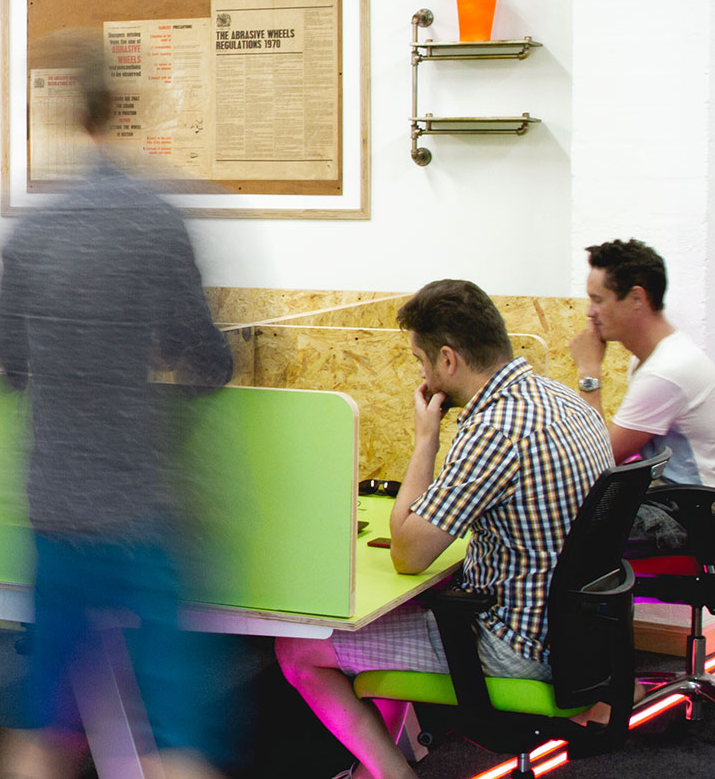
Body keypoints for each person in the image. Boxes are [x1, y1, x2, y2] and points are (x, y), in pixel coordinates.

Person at [0, 40, 235, 779]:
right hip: (140, 507)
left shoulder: (28, 231)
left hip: (52, 508)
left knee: (44, 722)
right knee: (171, 731)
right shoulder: (156, 219)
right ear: (124, 109)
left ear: (64, 114)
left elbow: (9, 368)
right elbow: (208, 361)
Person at [277, 279, 613, 779]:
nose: (422, 373)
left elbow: (408, 552)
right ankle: (384, 763)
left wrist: (425, 440)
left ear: (449, 360)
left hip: (514, 646)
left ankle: (390, 772)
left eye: (421, 360)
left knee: (296, 650)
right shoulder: (562, 400)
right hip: (578, 637)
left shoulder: (495, 428)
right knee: (396, 615)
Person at [568, 238, 715, 484]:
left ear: (637, 298)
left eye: (598, 300)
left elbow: (597, 462)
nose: (589, 312)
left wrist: (589, 372)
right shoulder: (652, 358)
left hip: (694, 514)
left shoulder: (666, 371)